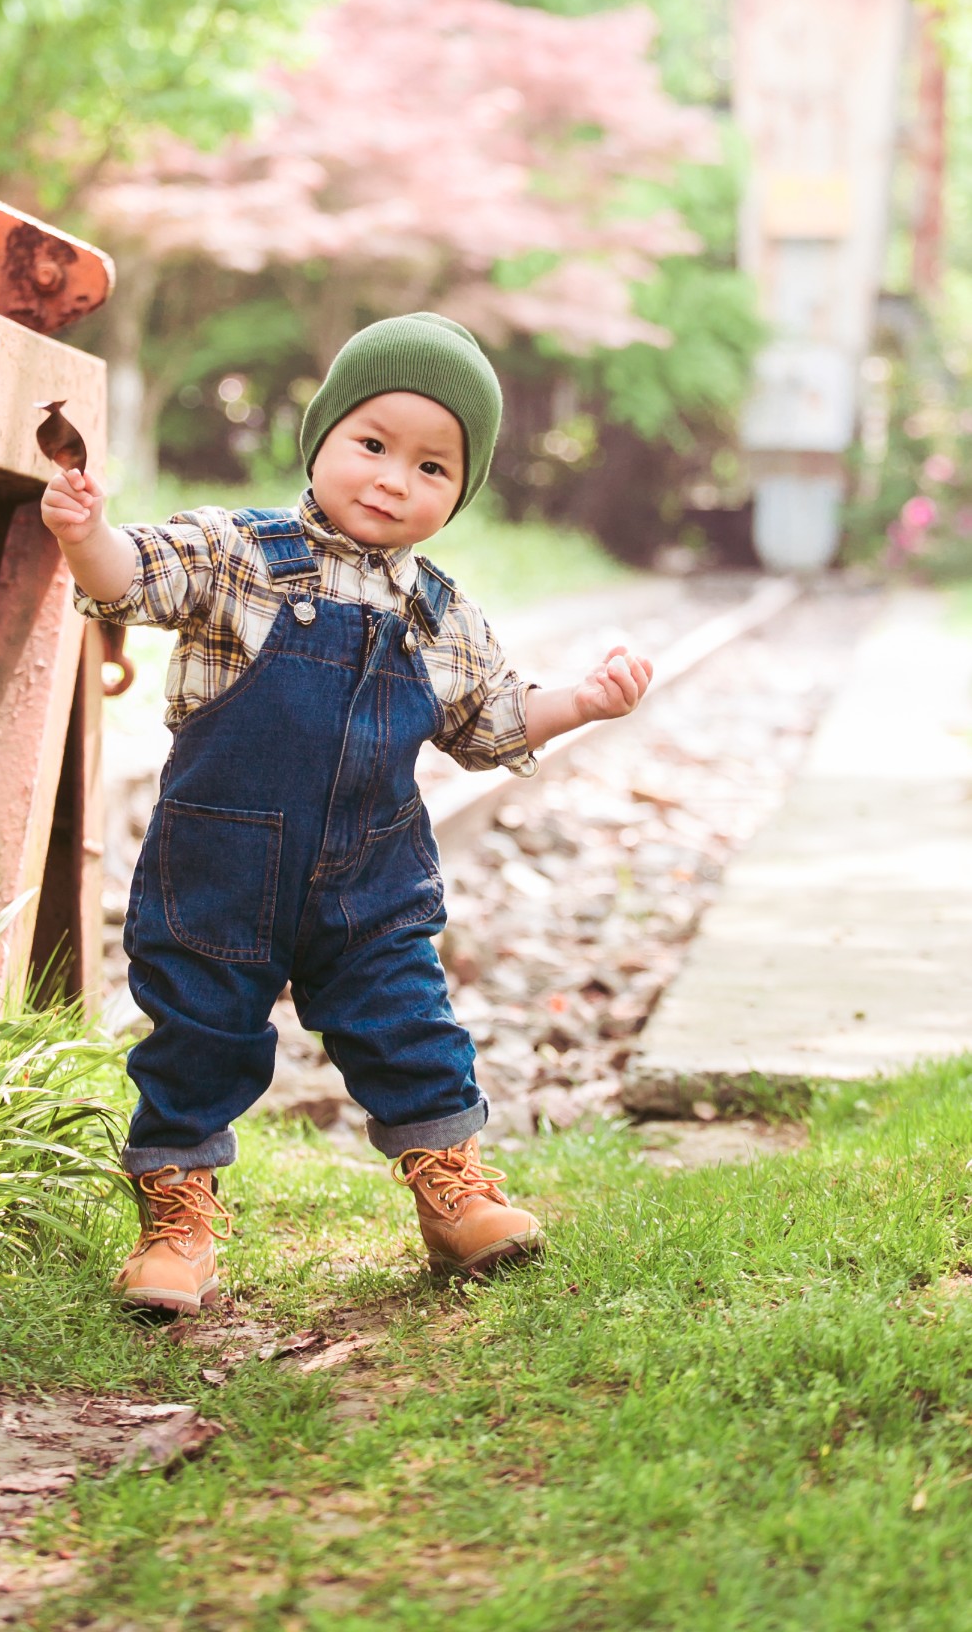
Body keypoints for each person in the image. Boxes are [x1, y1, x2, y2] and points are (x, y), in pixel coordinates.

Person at [42, 314, 652, 1317]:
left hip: (370, 874)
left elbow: (494, 720)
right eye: (372, 443)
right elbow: (127, 580)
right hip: (219, 863)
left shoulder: (442, 614)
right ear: (321, 436)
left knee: (408, 1020)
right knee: (198, 1032)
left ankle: (453, 1190)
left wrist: (581, 700)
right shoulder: (238, 550)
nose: (392, 478)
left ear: (458, 494)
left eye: (431, 466)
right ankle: (176, 1216)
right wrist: (85, 535)